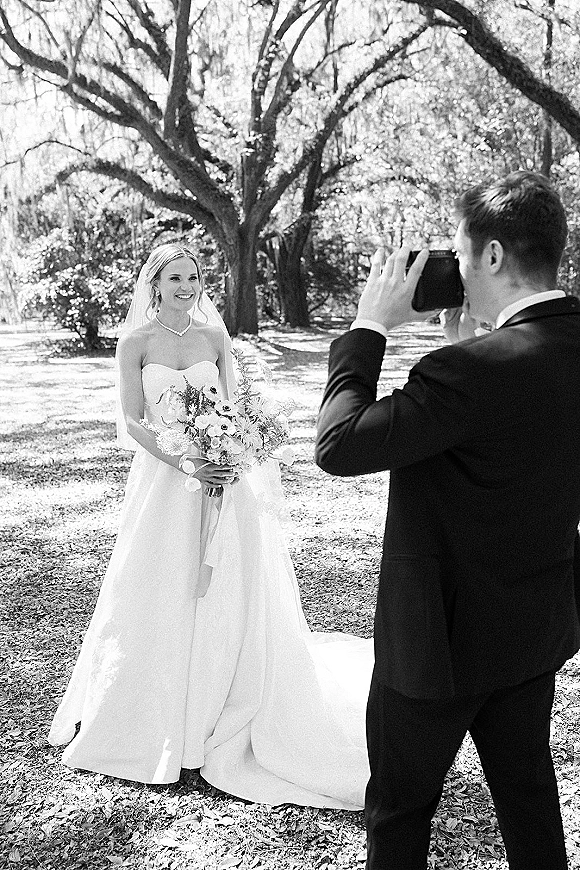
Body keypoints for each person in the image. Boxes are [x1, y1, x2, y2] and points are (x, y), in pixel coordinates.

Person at [315, 171, 580, 869]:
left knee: (400, 812)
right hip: (533, 630)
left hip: (436, 645)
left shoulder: (468, 373)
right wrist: (468, 341)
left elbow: (339, 445)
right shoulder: (522, 354)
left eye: (460, 256)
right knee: (527, 795)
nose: (456, 270)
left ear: (492, 257)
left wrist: (368, 326)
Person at [48, 242, 373, 809]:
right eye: (174, 277)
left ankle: (221, 709)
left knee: (228, 591)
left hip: (223, 477)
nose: (186, 287)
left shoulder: (216, 339)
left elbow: (232, 406)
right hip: (165, 484)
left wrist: (234, 447)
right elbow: (130, 420)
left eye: (193, 277)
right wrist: (185, 460)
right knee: (159, 588)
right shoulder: (135, 342)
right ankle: (152, 719)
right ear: (153, 282)